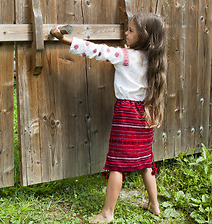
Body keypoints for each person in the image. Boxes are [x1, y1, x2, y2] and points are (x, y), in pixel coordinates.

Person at [50, 13, 166, 223]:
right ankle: (154, 205)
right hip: (145, 114)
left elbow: (96, 50)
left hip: (126, 115)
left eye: (131, 30)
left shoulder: (125, 56)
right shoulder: (154, 60)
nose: (126, 33)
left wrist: (64, 38)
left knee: (117, 165)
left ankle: (107, 213)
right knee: (146, 161)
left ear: (144, 36)